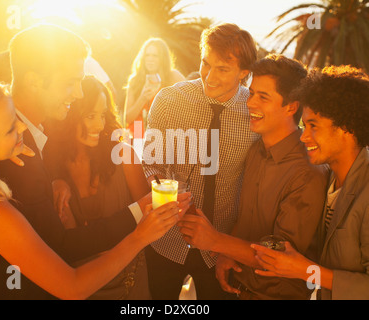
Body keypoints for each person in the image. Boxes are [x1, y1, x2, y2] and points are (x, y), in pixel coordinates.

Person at [0, 23, 190, 300]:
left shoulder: (39, 134)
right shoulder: (6, 156)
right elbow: (60, 250)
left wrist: (55, 179)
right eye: (70, 83)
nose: (78, 94)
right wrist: (140, 223)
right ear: (34, 81)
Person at [178, 54, 328, 300]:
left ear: (291, 106)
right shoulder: (257, 150)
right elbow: (247, 217)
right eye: (251, 93)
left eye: (263, 97)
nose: (250, 103)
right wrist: (228, 252)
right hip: (238, 289)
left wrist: (216, 241)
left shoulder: (307, 171)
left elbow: (280, 258)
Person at [142, 23, 259, 300]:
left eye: (223, 69)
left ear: (244, 73)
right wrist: (164, 191)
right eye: (206, 64)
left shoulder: (255, 114)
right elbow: (150, 160)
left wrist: (229, 245)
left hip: (221, 251)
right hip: (165, 240)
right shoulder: (169, 100)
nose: (210, 76)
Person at [251, 65, 369, 300]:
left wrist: (305, 270)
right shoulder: (328, 179)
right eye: (304, 126)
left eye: (313, 126)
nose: (304, 136)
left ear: (347, 127)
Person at [43, 75, 152, 299]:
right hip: (80, 286)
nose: (100, 125)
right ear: (69, 116)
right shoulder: (51, 165)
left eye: (102, 115)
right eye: (90, 116)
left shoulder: (123, 154)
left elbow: (149, 214)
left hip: (130, 283)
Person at [124, 37, 185, 137]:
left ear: (163, 58)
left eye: (155, 56)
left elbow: (191, 101)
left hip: (164, 132)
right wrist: (142, 98)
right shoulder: (135, 80)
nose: (150, 59)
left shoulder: (173, 76)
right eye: (147, 55)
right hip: (138, 132)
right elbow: (127, 118)